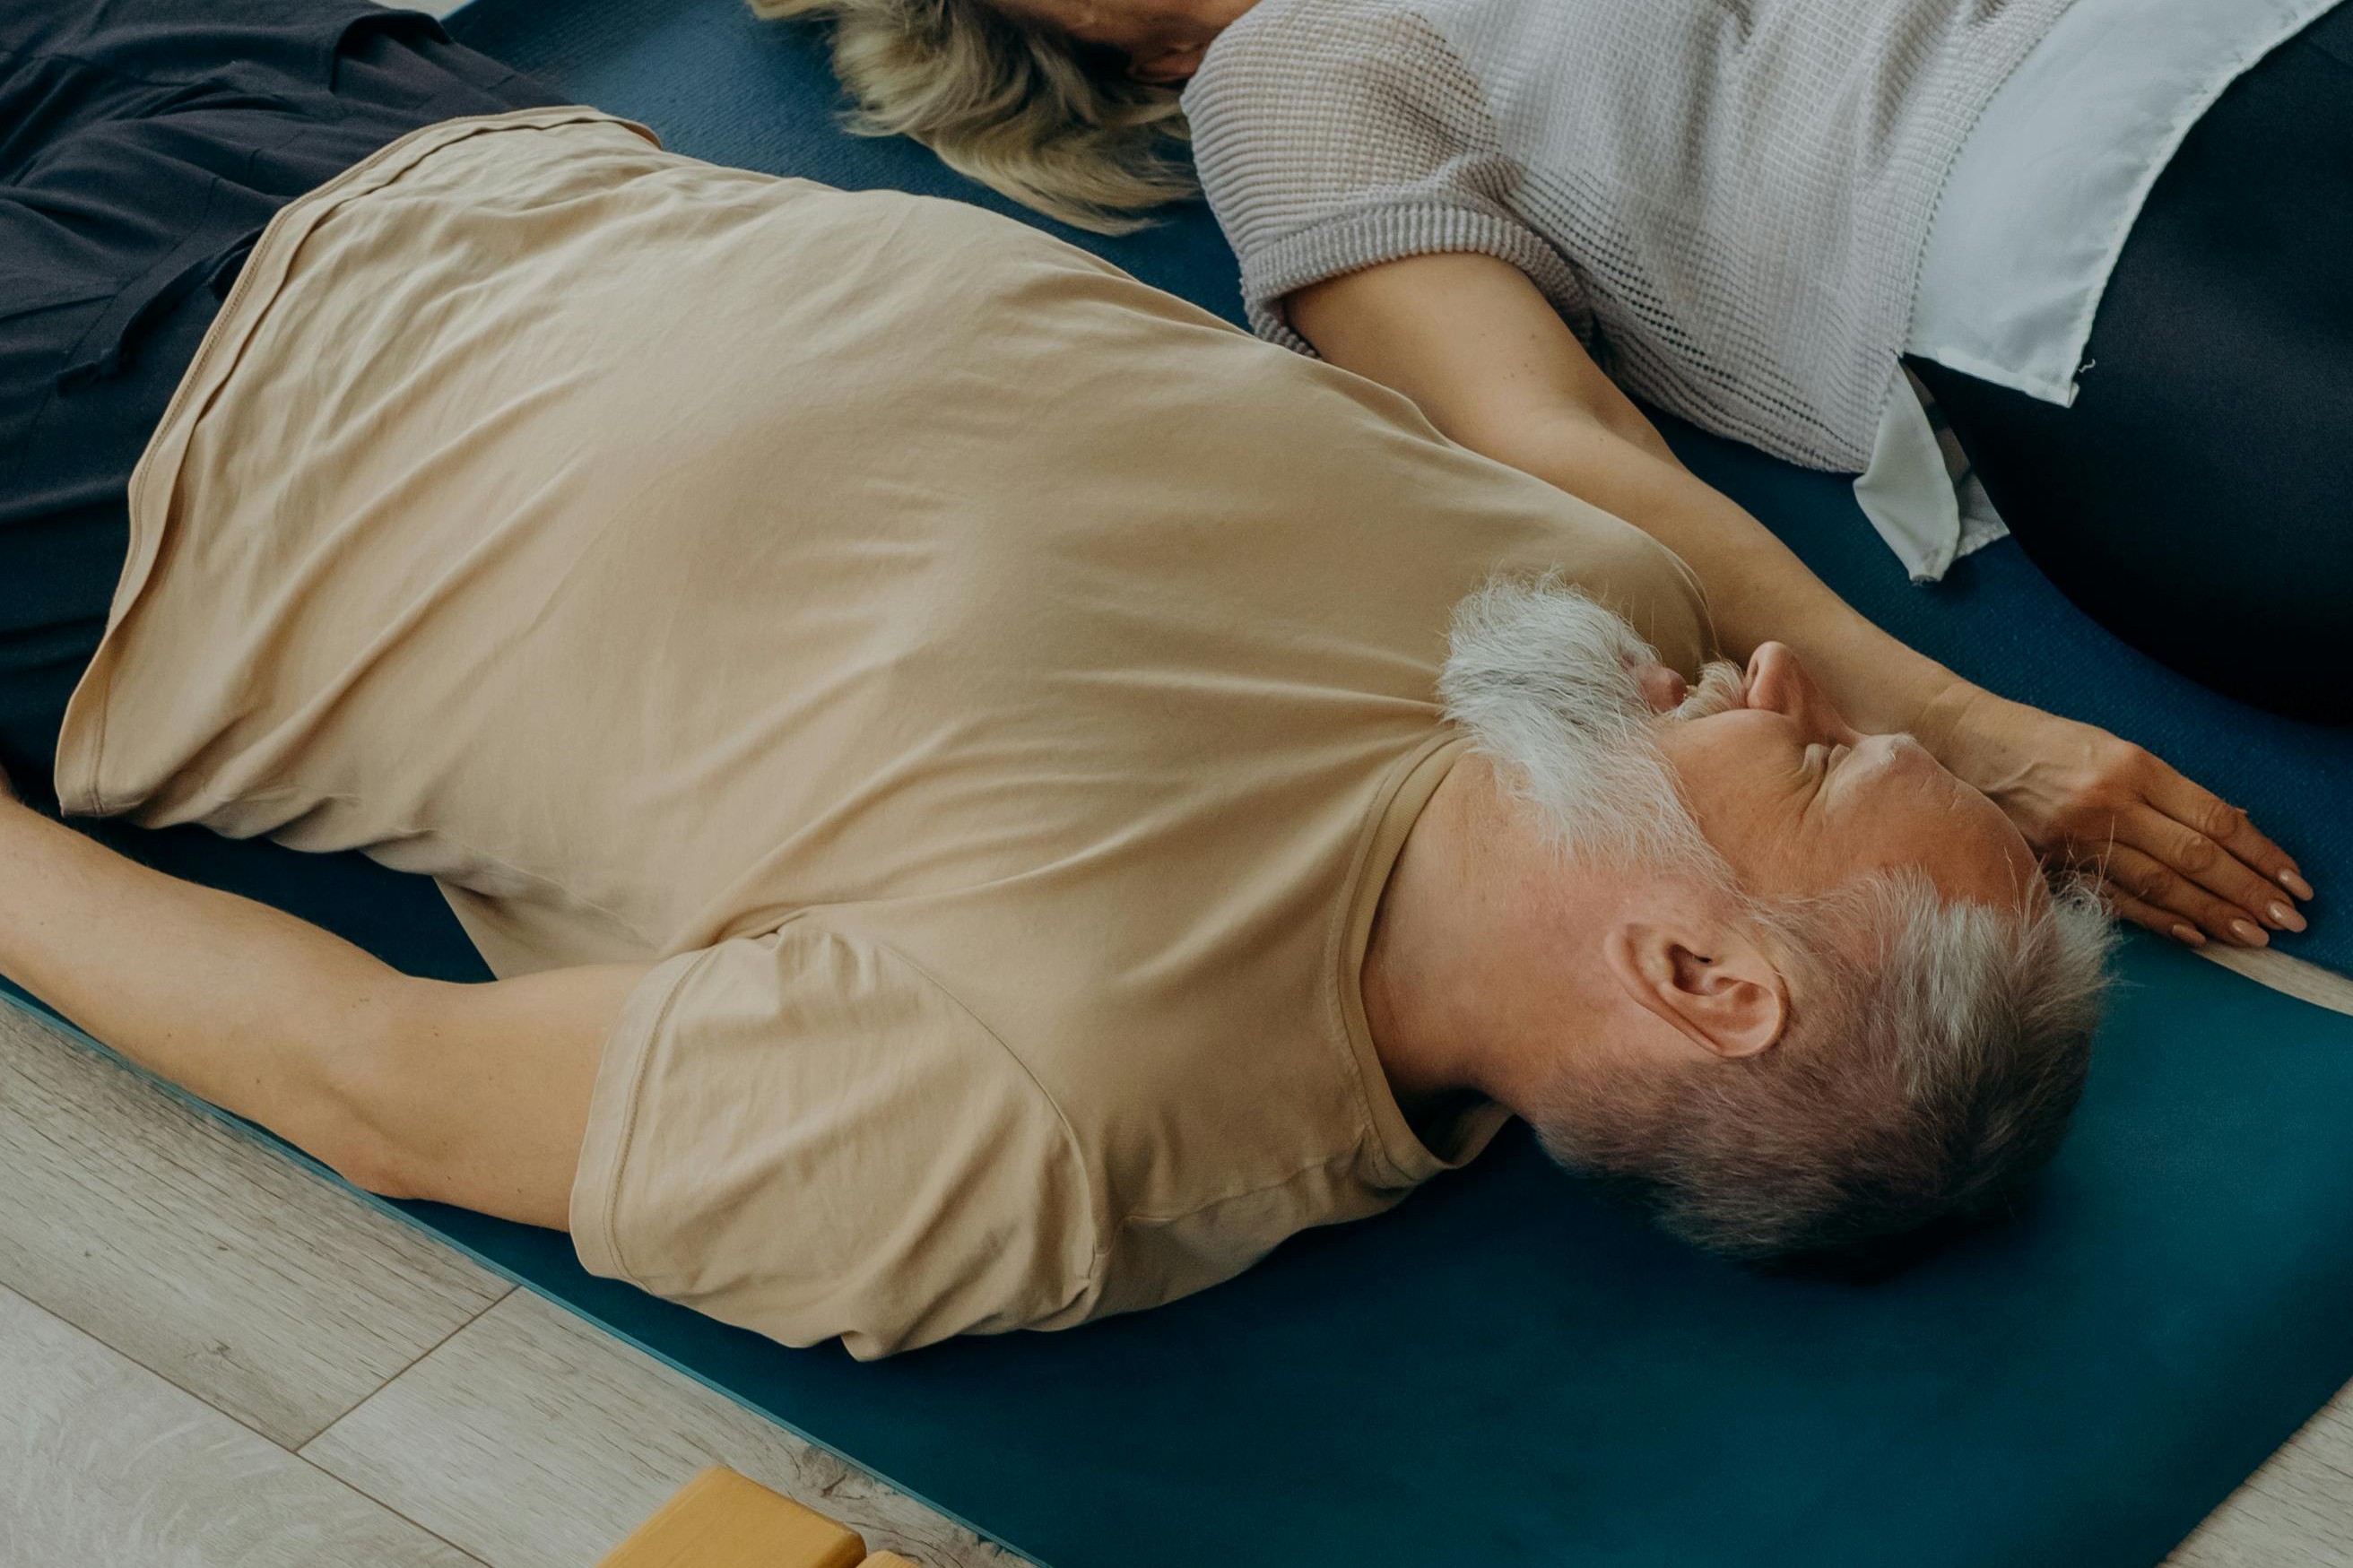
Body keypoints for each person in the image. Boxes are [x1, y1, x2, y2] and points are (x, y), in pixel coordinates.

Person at [1, 0, 2121, 1359]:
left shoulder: (1055, 1117)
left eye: (1827, 766)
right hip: (432, 141)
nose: (1782, 679)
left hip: (131, 469)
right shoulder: (1594, 616)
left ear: (1696, 976)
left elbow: (377, 1077)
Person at [765, 0, 2353, 779]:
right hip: (2073, 250)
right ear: (1110, 46)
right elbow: (1544, 440)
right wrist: (1959, 728)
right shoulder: (1286, 76)